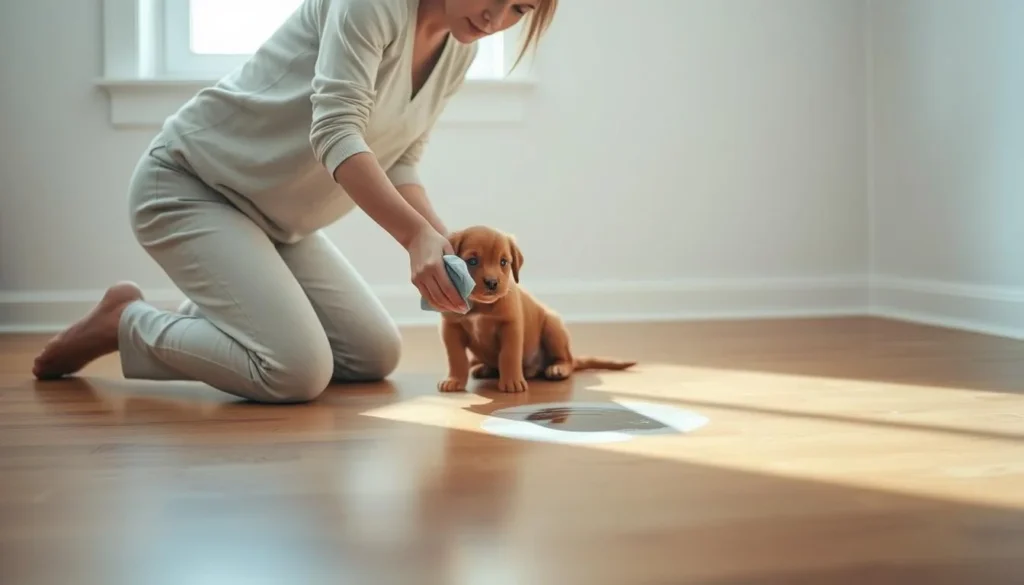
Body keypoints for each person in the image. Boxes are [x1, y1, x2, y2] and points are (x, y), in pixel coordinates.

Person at [31, 0, 558, 403]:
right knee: (295, 371)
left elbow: (400, 160)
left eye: (520, 8)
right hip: (190, 185)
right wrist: (412, 234)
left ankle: (228, 310)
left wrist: (440, 240)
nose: (496, 18)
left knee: (374, 353)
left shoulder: (459, 50)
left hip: (277, 224)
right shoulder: (372, 6)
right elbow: (335, 130)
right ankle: (125, 322)